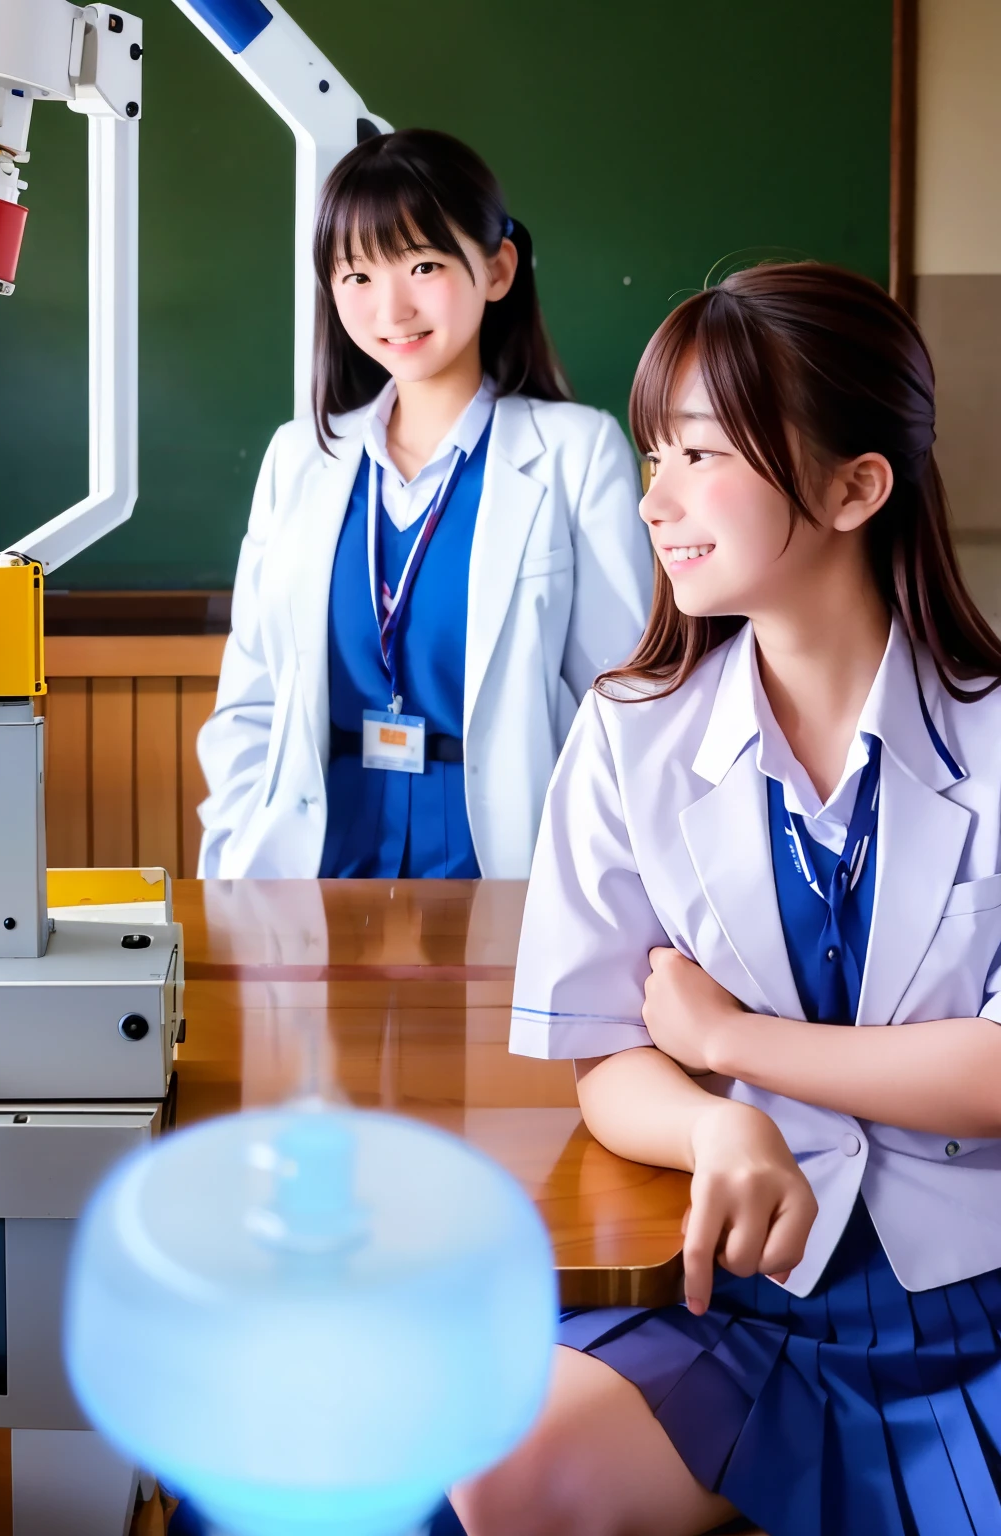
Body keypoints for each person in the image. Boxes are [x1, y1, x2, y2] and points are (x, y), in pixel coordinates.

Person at [460, 263, 1001, 1536]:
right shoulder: (624, 731)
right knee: (503, 1463)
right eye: (654, 455)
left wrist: (728, 1047)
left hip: (980, 1288)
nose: (655, 500)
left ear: (853, 486)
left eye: (698, 456)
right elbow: (600, 1052)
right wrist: (711, 1127)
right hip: (739, 1299)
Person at [196, 128, 651, 880]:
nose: (392, 307)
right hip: (309, 874)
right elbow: (250, 701)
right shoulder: (298, 458)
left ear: (497, 269)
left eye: (424, 264)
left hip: (507, 872)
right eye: (357, 277)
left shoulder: (578, 453)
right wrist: (238, 847)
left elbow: (621, 707)